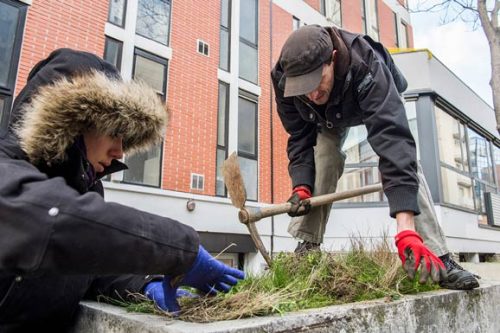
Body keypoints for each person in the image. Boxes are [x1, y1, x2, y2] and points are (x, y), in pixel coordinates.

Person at [0, 48, 244, 332]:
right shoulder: (8, 170)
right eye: (113, 131)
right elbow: (57, 221)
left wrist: (146, 285)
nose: (119, 151)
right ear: (74, 122)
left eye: (125, 138)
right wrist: (180, 251)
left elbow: (88, 270)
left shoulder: (88, 191)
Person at [271, 25, 479, 290]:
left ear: (332, 58)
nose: (312, 95)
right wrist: (301, 185)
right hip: (329, 117)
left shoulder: (367, 64)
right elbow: (300, 136)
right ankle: (308, 247)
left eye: (315, 82)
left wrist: (405, 228)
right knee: (324, 155)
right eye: (304, 88)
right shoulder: (283, 79)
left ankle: (439, 257)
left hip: (368, 93)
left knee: (406, 162)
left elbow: (392, 142)